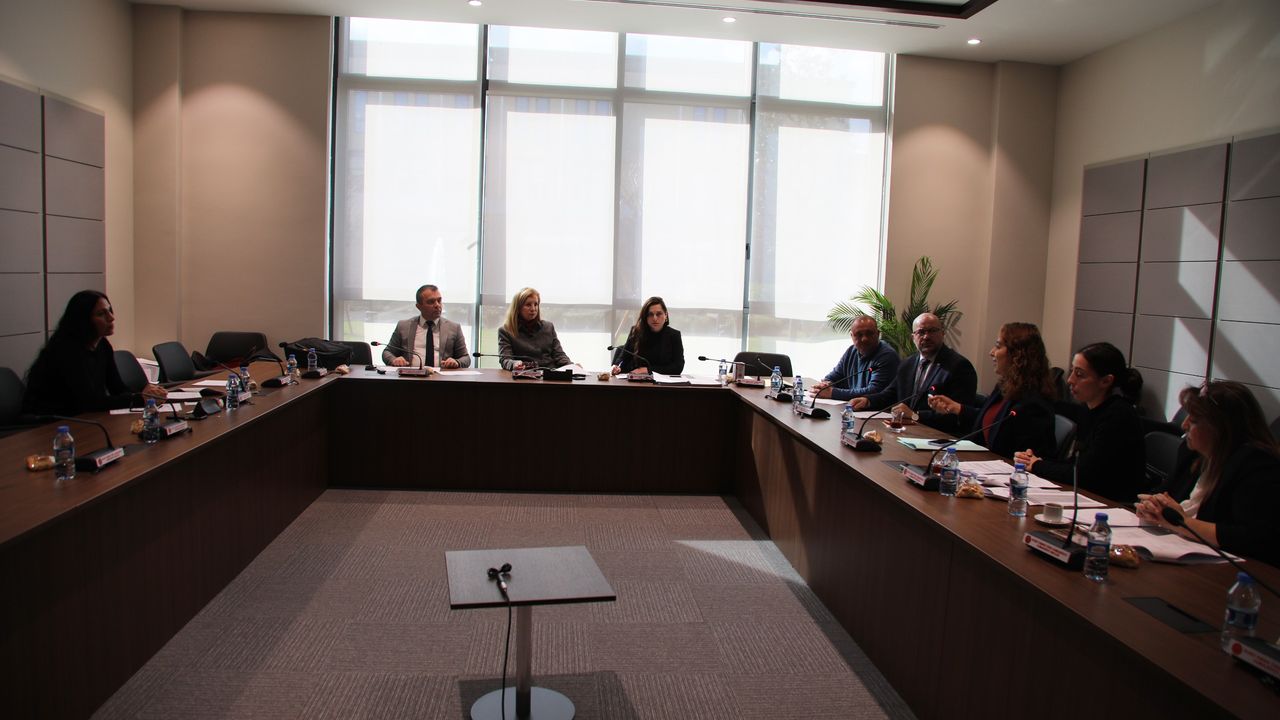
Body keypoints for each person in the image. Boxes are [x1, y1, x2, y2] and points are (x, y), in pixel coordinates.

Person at [1136, 381, 1280, 566]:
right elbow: (1164, 495)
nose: (1184, 425)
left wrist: (1181, 522)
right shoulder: (1193, 454)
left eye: (1194, 420)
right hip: (1181, 552)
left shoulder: (1257, 463)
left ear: (1222, 427)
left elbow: (1252, 537)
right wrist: (1151, 507)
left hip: (1237, 569)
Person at [1013, 342, 1147, 503]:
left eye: (1080, 374)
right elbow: (1076, 463)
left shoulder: (1119, 417)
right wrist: (1034, 460)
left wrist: (1037, 465)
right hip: (1089, 496)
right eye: (1072, 371)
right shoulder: (1089, 409)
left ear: (1106, 381)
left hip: (1112, 503)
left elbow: (1084, 474)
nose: (1070, 380)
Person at [23, 290, 167, 416]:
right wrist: (139, 399)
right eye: (101, 314)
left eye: (109, 310)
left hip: (85, 417)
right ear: (83, 320)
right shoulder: (65, 351)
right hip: (53, 422)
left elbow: (117, 389)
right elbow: (89, 402)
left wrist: (146, 393)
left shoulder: (102, 345)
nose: (111, 318)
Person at [927, 322, 1056, 459]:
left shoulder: (1034, 403)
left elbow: (1023, 457)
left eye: (998, 346)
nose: (992, 352)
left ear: (1018, 354)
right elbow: (991, 421)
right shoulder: (1004, 386)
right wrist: (956, 408)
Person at [850, 312, 977, 432]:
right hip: (908, 432)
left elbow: (959, 415)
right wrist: (867, 401)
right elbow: (890, 394)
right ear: (913, 337)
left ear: (942, 333)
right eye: (921, 332)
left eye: (932, 331)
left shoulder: (959, 366)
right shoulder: (908, 364)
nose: (926, 336)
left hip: (940, 437)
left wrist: (915, 415)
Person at [811, 315, 900, 402]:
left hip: (878, 410)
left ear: (878, 334)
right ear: (852, 336)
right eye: (859, 334)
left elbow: (874, 392)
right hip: (853, 408)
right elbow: (833, 377)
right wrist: (825, 385)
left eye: (869, 333)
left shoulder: (887, 355)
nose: (864, 339)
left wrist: (832, 393)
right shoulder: (851, 351)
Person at [383, 285, 470, 369]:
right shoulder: (404, 326)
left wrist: (457, 362)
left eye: (439, 300)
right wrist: (394, 360)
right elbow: (387, 352)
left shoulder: (453, 327)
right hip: (411, 376)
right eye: (431, 302)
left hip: (442, 376)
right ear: (419, 306)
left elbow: (465, 358)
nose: (437, 305)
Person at [497, 287, 572, 371]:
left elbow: (559, 355)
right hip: (525, 375)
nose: (533, 309)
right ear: (518, 308)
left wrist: (572, 366)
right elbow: (505, 359)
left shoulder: (548, 327)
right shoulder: (505, 331)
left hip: (550, 374)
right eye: (528, 305)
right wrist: (514, 364)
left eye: (536, 304)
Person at [610, 296, 685, 376]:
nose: (655, 318)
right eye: (650, 314)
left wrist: (648, 369)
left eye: (659, 314)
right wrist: (616, 366)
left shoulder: (674, 335)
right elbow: (623, 357)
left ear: (665, 315)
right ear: (645, 317)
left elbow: (678, 367)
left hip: (663, 382)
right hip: (638, 379)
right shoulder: (636, 331)